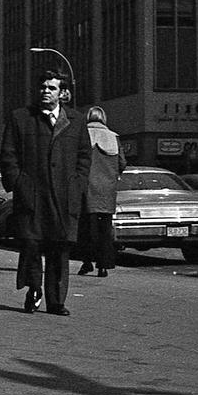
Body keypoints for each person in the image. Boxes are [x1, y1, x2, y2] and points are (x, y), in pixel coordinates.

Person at [0, 69, 90, 316]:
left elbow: (84, 156)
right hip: (33, 194)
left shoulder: (76, 120)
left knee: (59, 248)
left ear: (62, 93)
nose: (45, 92)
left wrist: (78, 183)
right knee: (31, 244)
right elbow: (9, 155)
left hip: (63, 196)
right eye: (42, 87)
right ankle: (34, 288)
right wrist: (18, 183)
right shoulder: (21, 118)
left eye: (51, 88)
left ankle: (57, 301)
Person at [77, 106, 127, 277]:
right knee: (105, 229)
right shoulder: (114, 137)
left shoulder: (82, 135)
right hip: (107, 190)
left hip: (87, 188)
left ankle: (86, 262)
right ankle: (103, 266)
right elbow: (122, 163)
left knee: (87, 229)